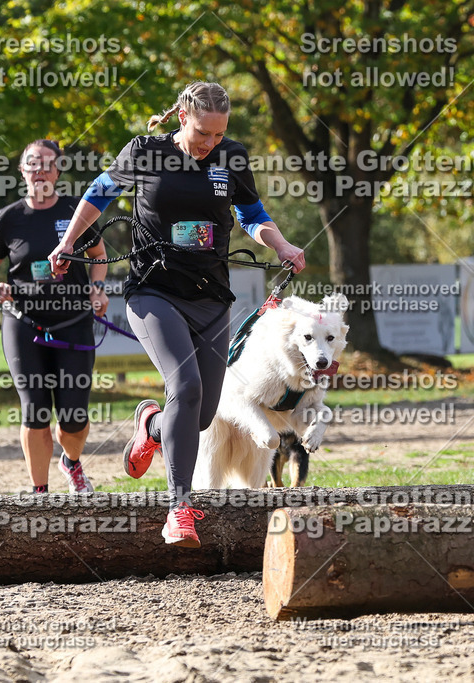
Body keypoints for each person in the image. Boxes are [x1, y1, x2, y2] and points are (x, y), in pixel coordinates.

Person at [48, 81, 306, 548]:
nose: (210, 143)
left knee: (201, 416)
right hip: (154, 291)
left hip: (211, 297)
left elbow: (251, 215)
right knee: (185, 387)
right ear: (183, 117)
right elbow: (99, 193)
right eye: (203, 133)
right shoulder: (145, 152)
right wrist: (67, 243)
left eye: (218, 134)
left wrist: (281, 244)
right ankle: (179, 509)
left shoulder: (232, 156)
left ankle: (151, 424)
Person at [0, 139, 109, 494]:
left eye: (48, 164)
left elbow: (98, 255)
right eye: (32, 163)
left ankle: (72, 462)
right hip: (23, 323)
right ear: (22, 170)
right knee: (35, 410)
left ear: (58, 171)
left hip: (73, 322)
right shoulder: (8, 219)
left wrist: (97, 288)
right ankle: (40, 493)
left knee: (74, 416)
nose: (40, 170)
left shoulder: (77, 211)